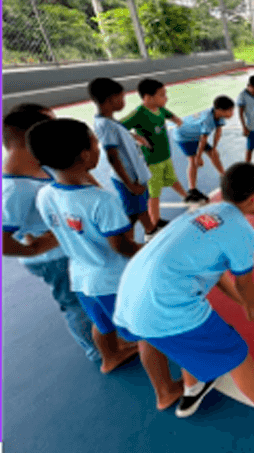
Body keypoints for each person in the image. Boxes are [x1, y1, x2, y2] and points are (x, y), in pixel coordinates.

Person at [114, 162, 254, 434]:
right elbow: (243, 280)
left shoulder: (206, 213)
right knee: (236, 354)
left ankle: (193, 386)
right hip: (167, 307)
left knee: (184, 340)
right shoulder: (242, 231)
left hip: (132, 298)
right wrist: (252, 306)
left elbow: (217, 274)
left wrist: (244, 304)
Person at [29, 119, 184, 409]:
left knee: (100, 323)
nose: (98, 148)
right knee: (145, 334)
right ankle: (166, 390)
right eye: (94, 143)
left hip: (81, 277)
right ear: (86, 155)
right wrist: (151, 253)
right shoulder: (102, 202)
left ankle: (109, 357)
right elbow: (122, 247)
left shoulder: (45, 195)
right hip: (114, 280)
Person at [2, 109, 99, 363]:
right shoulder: (14, 188)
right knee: (74, 302)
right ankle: (95, 348)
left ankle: (104, 339)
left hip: (70, 248)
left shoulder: (42, 166)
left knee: (88, 294)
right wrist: (34, 249)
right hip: (53, 259)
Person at [89, 78, 157, 239]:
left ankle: (143, 234)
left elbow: (119, 134)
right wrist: (130, 184)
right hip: (129, 178)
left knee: (136, 212)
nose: (124, 101)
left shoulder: (108, 121)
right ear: (111, 99)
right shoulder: (106, 125)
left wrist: (134, 137)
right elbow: (112, 156)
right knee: (137, 212)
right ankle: (144, 236)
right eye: (122, 97)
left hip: (134, 176)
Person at [121, 79, 192, 228]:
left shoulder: (159, 109)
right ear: (148, 97)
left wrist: (176, 119)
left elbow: (167, 114)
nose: (166, 98)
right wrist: (136, 137)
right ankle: (155, 222)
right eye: (162, 95)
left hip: (165, 156)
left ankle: (186, 197)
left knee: (172, 179)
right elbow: (117, 128)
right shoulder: (139, 114)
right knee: (154, 194)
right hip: (152, 161)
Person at [175, 95, 235, 203]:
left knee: (213, 153)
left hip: (196, 133)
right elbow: (203, 139)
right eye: (230, 110)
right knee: (193, 161)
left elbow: (218, 132)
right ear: (220, 110)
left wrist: (214, 148)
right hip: (183, 135)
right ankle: (192, 190)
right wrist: (198, 157)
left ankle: (223, 176)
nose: (232, 113)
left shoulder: (218, 115)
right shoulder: (208, 120)